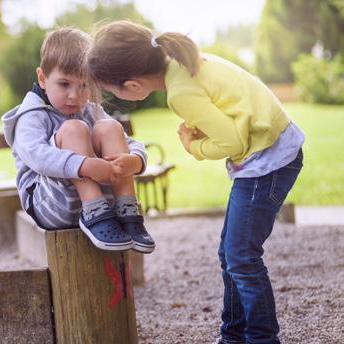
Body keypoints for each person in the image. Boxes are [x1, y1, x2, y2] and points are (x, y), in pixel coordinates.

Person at [87, 20, 304, 344]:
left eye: (111, 90)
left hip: (268, 162)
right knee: (230, 252)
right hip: (272, 149)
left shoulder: (180, 92)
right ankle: (232, 335)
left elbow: (232, 143)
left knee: (242, 256)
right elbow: (231, 109)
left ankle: (262, 338)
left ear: (132, 86)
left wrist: (194, 147)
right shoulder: (181, 61)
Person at [1, 27, 155, 253]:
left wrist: (136, 160)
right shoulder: (31, 115)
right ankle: (95, 211)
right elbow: (36, 155)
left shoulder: (88, 108)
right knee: (74, 129)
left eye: (84, 85)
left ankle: (127, 210)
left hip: (105, 205)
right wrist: (82, 165)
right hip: (51, 204)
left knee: (109, 127)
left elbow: (127, 141)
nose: (75, 95)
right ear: (43, 78)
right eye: (64, 84)